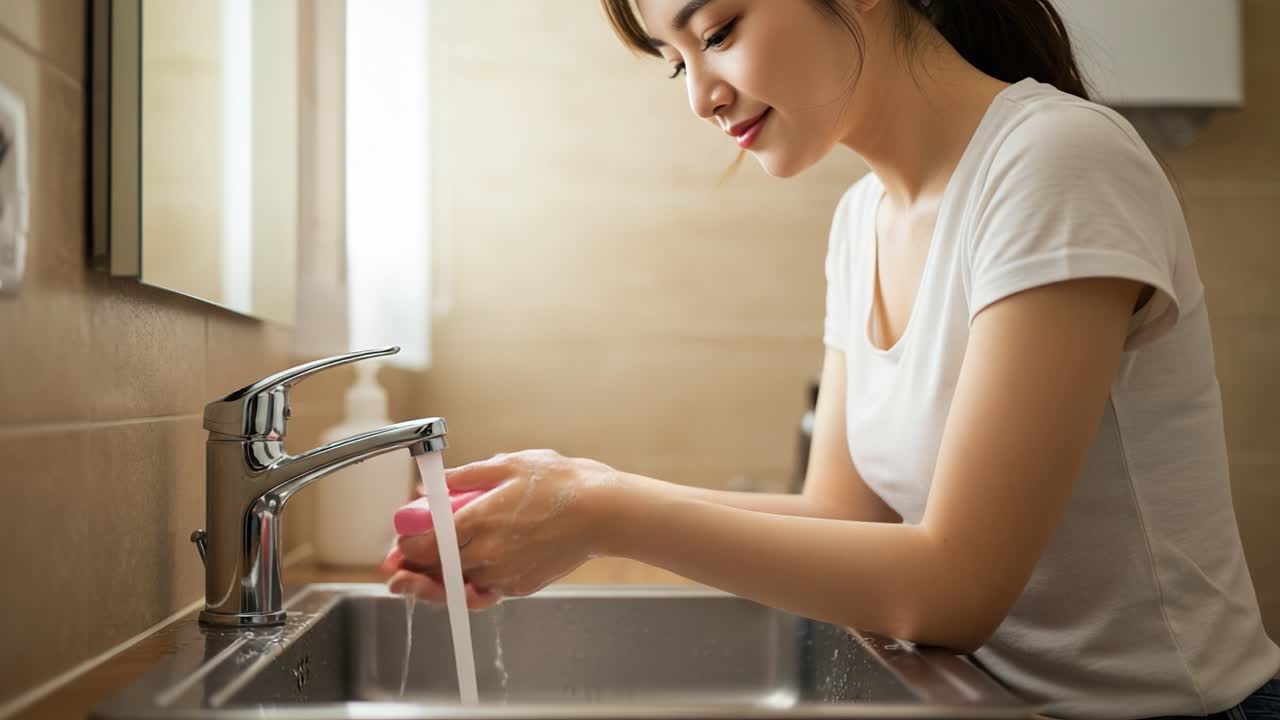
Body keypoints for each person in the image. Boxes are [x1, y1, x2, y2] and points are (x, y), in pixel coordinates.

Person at [382, 1, 1280, 717]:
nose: (701, 95)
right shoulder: (863, 221)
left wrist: (604, 514)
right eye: (677, 60)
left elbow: (956, 589)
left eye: (720, 32)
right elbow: (844, 513)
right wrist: (580, 487)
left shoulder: (1055, 161)